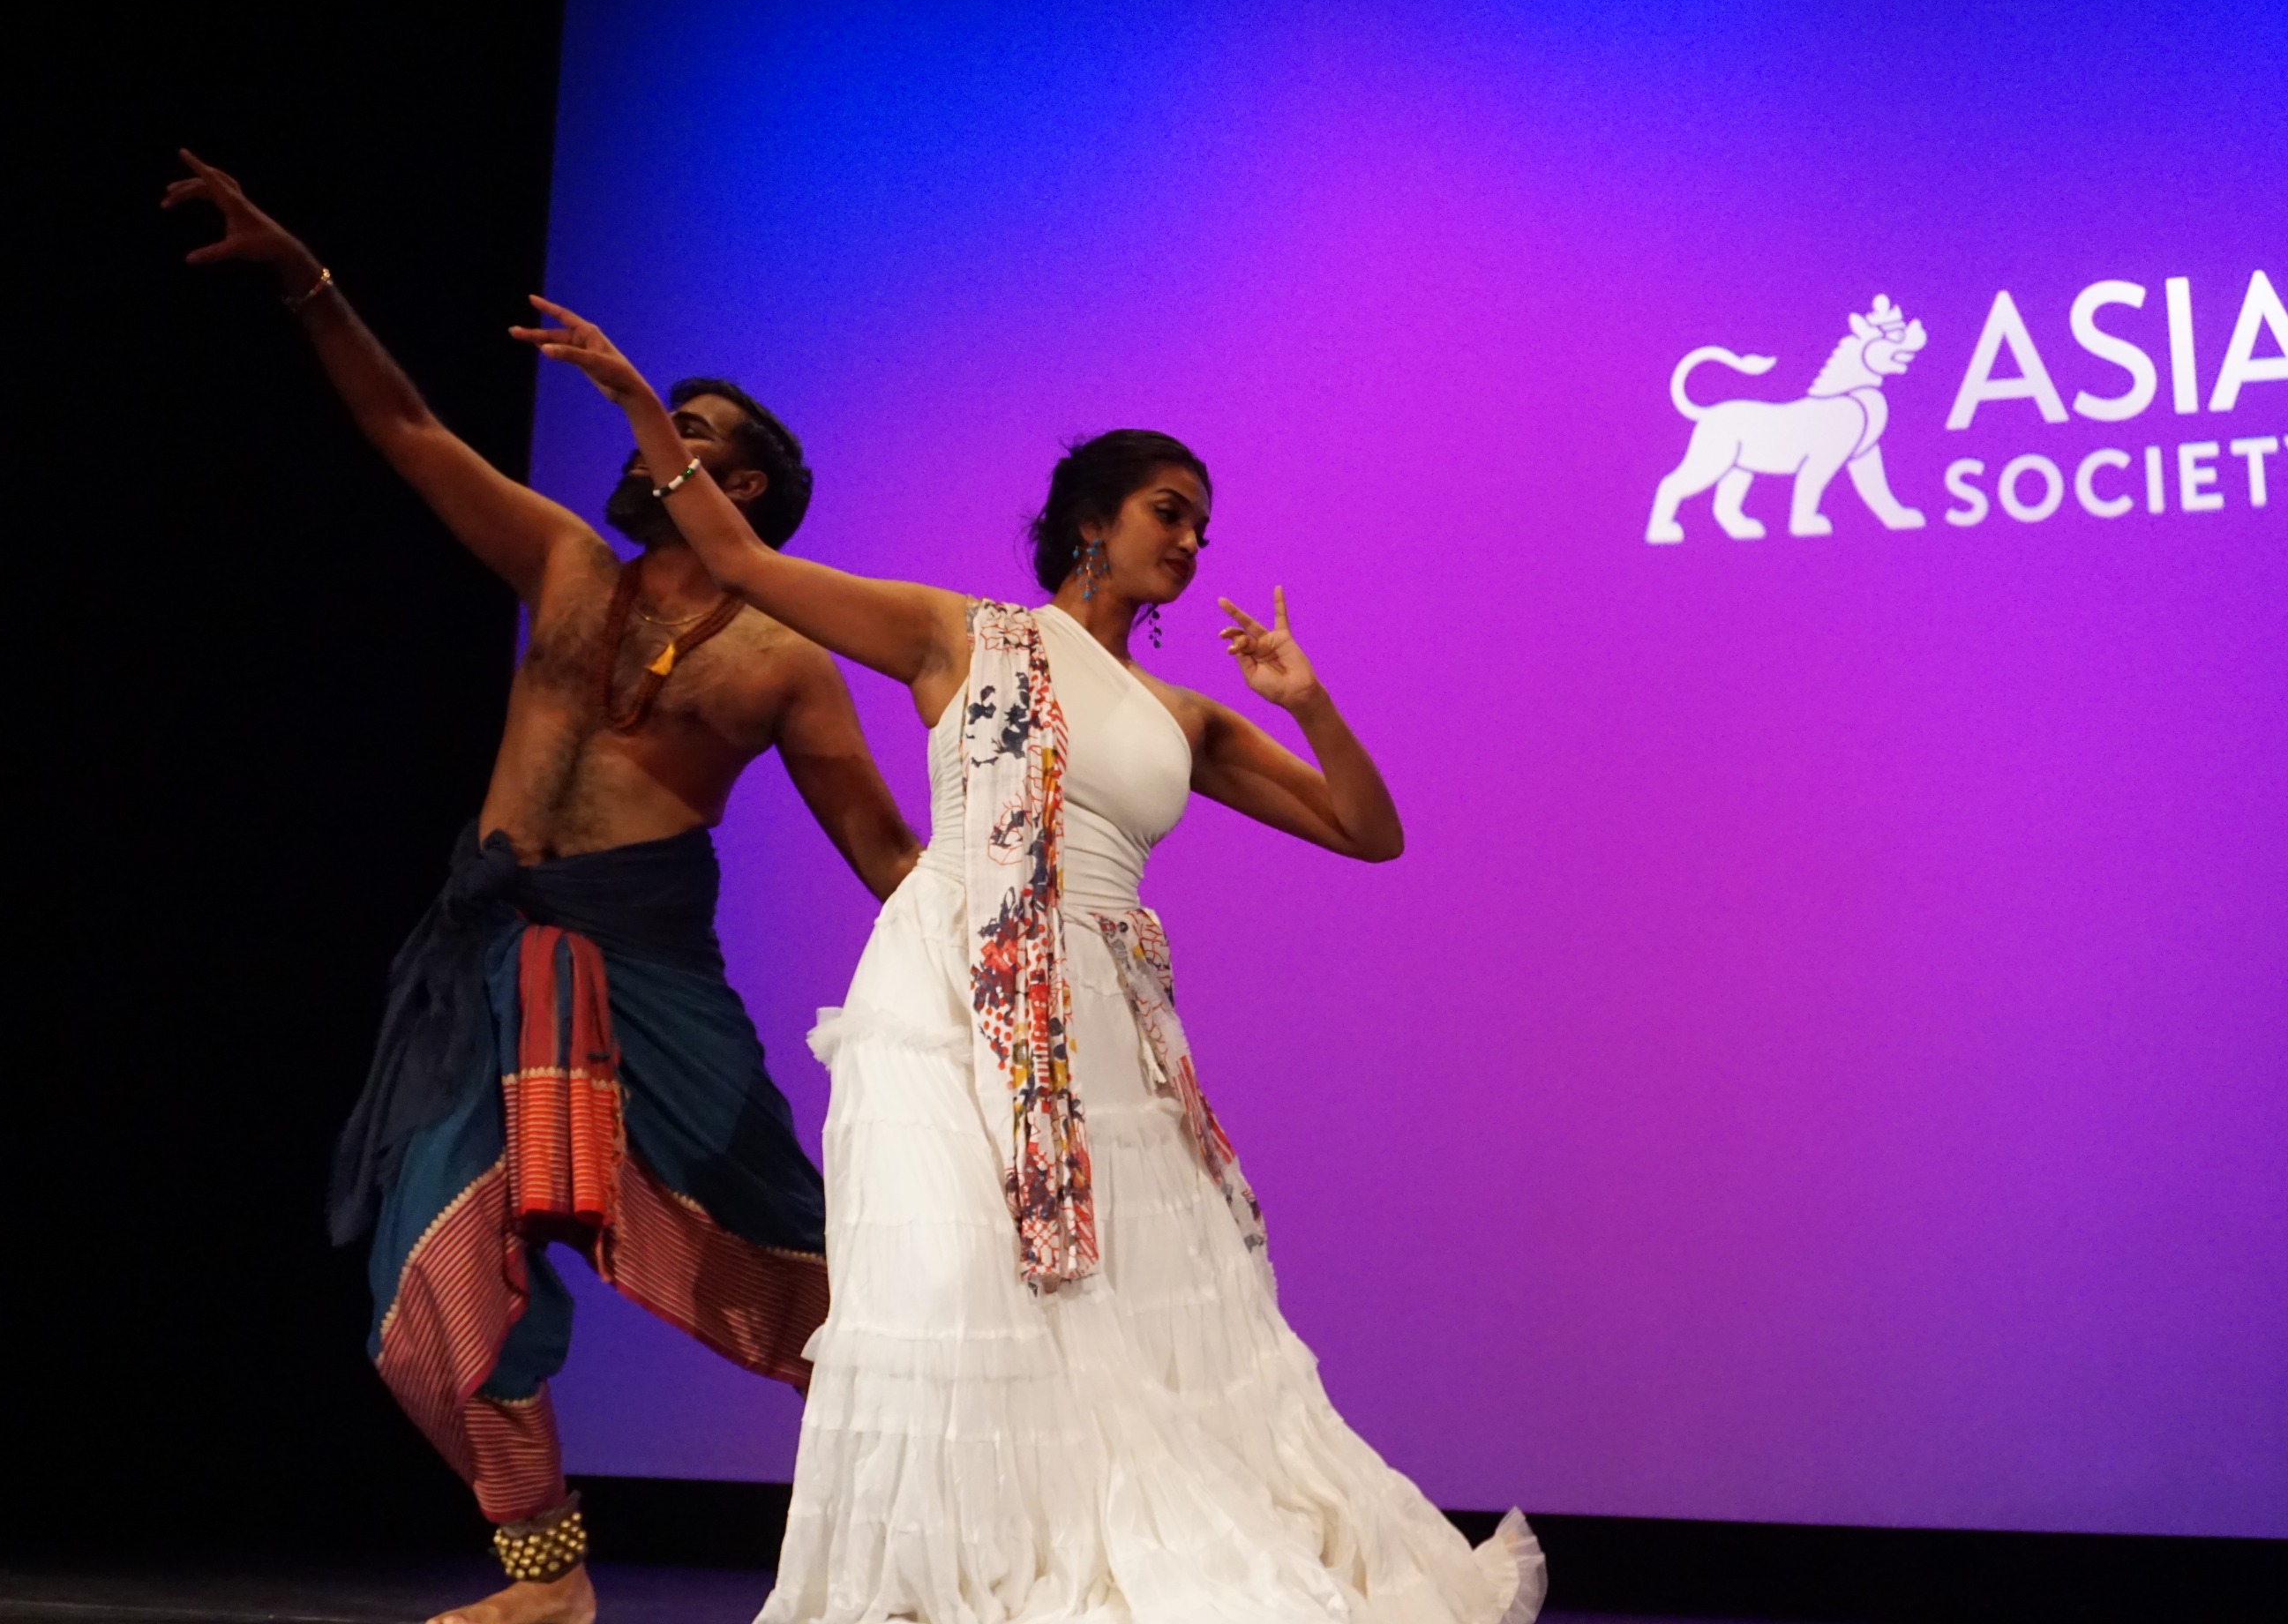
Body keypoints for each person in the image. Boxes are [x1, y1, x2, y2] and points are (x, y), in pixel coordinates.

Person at [520, 296, 1548, 1623]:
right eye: (1169, 510)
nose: (1190, 538)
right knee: (943, 1280)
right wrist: (636, 404)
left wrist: (1305, 702)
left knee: (1114, 1320)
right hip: (950, 994)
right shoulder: (960, 634)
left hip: (1107, 1024)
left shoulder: (1185, 711)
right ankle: (928, 1592)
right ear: (1090, 523)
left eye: (1201, 523)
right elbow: (740, 554)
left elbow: (1369, 832)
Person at [164, 156, 921, 1624]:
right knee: (440, 1257)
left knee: (793, 1256)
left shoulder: (785, 661)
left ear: (742, 483)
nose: (651, 444)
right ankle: (546, 1579)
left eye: (689, 433)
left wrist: (1032, 947)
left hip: (646, 972)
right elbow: (404, 425)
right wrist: (304, 274)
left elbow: (888, 857)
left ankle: (966, 1495)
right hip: (486, 955)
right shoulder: (569, 566)